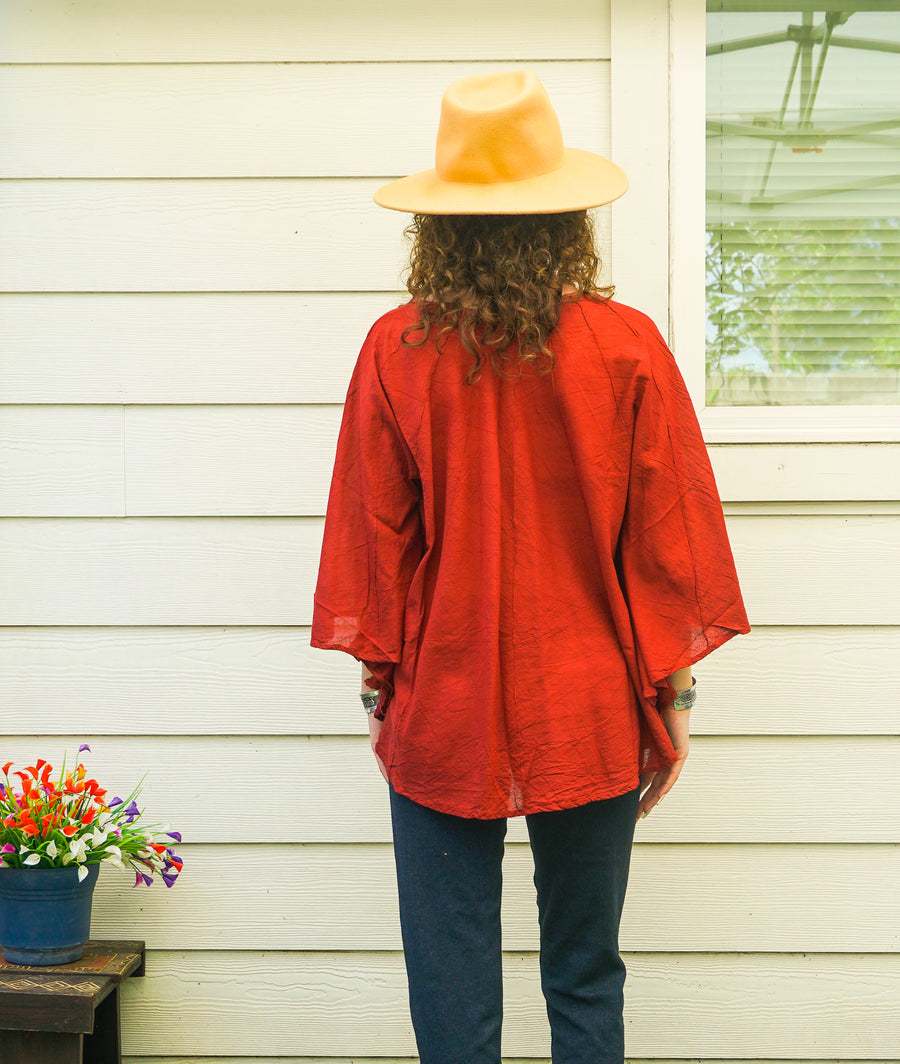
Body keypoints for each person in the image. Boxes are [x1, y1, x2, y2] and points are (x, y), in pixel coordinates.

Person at [311, 68, 750, 1064]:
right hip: (590, 699)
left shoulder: (395, 349)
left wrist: (384, 681)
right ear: (567, 220)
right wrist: (671, 696)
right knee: (587, 969)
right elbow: (669, 541)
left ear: (441, 225)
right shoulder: (626, 346)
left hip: (442, 698)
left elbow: (371, 540)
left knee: (450, 980)